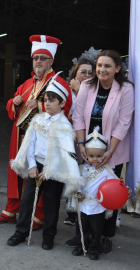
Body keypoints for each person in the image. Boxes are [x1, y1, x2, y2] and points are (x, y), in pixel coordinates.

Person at [0, 35, 73, 229]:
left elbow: (66, 108)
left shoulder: (58, 82)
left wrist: (41, 105)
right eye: (36, 58)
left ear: (51, 61)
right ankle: (11, 210)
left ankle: (38, 216)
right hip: (20, 136)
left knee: (41, 177)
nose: (39, 62)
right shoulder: (27, 83)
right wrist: (14, 102)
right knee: (18, 174)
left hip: (45, 138)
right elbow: (12, 108)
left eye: (43, 58)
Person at [7, 75, 83, 250]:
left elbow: (63, 154)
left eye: (52, 100)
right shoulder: (38, 119)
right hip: (37, 167)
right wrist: (32, 165)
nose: (47, 104)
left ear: (62, 103)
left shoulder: (65, 126)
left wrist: (49, 171)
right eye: (46, 100)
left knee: (51, 204)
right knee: (27, 201)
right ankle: (21, 232)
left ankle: (48, 236)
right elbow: (30, 145)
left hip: (53, 171)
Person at [72, 50, 135, 255]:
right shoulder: (87, 86)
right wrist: (81, 144)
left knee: (108, 193)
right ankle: (83, 233)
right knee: (84, 189)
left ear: (117, 68)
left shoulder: (125, 89)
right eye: (99, 65)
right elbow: (79, 117)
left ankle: (106, 236)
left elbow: (124, 122)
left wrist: (109, 151)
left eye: (107, 66)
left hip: (111, 151)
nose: (101, 69)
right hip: (87, 150)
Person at [71, 127, 117, 260]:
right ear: (86, 155)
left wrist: (123, 189)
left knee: (97, 230)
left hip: (98, 207)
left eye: (99, 156)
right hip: (83, 205)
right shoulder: (82, 169)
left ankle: (95, 249)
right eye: (91, 156)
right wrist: (78, 193)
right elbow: (77, 182)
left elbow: (114, 186)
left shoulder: (107, 171)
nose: (95, 159)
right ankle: (81, 246)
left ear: (104, 155)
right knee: (81, 228)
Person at [65, 57, 95, 226]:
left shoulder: (95, 91)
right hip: (70, 139)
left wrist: (79, 91)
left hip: (87, 140)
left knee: (85, 175)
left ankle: (85, 213)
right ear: (75, 73)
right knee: (71, 174)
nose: (87, 75)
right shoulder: (66, 90)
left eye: (90, 73)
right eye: (83, 72)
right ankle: (71, 212)